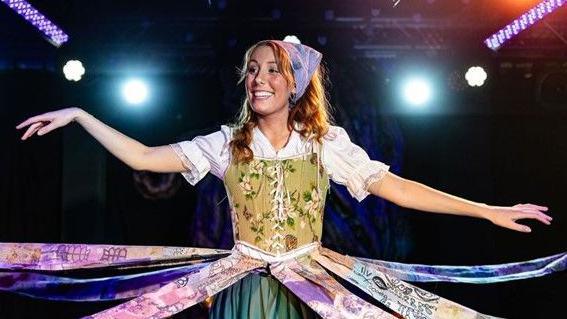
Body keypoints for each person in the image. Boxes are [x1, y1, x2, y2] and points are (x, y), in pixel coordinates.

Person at [3, 39, 565, 319]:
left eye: (272, 69)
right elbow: (145, 159)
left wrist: (487, 211)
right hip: (243, 282)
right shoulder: (226, 143)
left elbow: (400, 189)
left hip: (310, 286)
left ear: (294, 84)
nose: (259, 78)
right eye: (252, 69)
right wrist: (81, 115)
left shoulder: (325, 144)